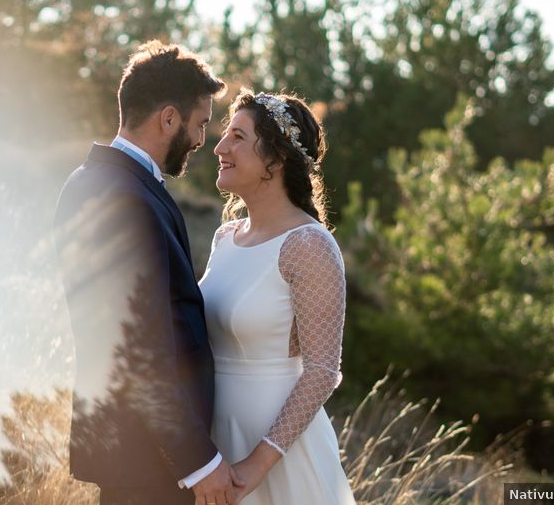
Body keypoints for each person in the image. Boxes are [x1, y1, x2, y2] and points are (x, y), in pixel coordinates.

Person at [53, 40, 244, 505]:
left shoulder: (99, 182)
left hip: (141, 458)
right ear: (168, 118)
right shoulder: (124, 196)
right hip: (151, 467)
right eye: (200, 125)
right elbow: (139, 347)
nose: (202, 141)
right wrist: (198, 461)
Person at [199, 90, 357, 504]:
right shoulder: (225, 238)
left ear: (277, 157)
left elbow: (322, 369)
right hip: (216, 445)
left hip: (278, 456)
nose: (219, 147)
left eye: (237, 136)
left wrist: (257, 464)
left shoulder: (308, 245)